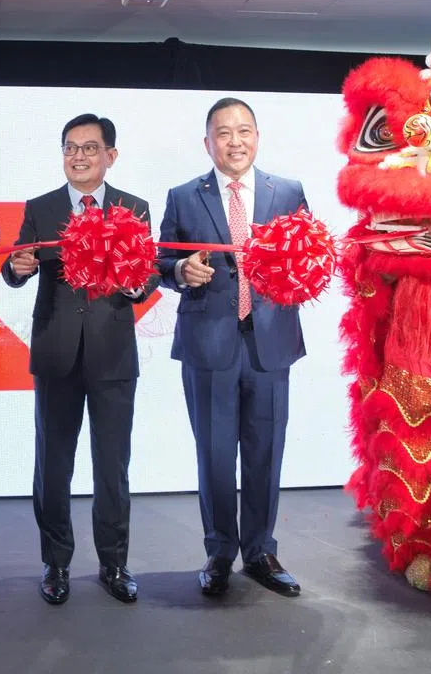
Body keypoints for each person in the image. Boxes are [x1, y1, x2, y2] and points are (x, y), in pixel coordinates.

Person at [1, 113, 156, 605]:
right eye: (71, 147)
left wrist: (136, 284)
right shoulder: (41, 207)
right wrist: (17, 267)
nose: (79, 156)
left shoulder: (134, 208)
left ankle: (114, 563)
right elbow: (15, 266)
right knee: (53, 465)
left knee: (112, 466)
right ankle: (56, 563)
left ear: (111, 155)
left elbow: (149, 273)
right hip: (56, 354)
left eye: (90, 148)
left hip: (113, 355)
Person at [156, 98, 308, 598]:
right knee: (215, 454)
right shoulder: (184, 196)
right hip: (208, 345)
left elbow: (308, 257)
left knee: (266, 452)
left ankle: (261, 551)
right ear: (208, 143)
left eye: (244, 131)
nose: (235, 141)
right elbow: (161, 262)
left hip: (270, 344)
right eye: (224, 133)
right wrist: (181, 272)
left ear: (257, 137)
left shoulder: (288, 192)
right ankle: (220, 551)